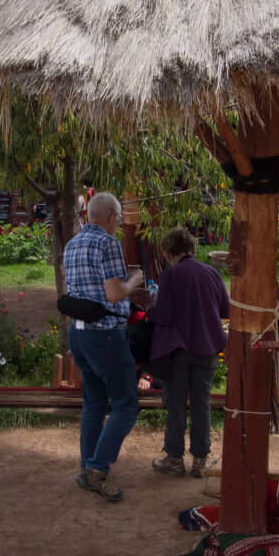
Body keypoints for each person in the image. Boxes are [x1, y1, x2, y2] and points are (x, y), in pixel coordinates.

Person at [62, 193, 148, 502]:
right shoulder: (108, 243)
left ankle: (88, 467)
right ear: (111, 216)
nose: (120, 223)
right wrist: (135, 280)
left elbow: (87, 291)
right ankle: (98, 468)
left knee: (95, 403)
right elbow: (113, 294)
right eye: (120, 218)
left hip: (79, 334)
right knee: (126, 405)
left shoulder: (72, 244)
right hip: (106, 336)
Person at [144, 229, 227, 479]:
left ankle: (174, 459)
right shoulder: (211, 272)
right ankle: (200, 460)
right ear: (191, 249)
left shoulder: (171, 275)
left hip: (178, 350)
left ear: (170, 253)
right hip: (208, 348)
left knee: (176, 405)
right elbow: (225, 308)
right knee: (202, 404)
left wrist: (150, 308)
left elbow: (165, 315)